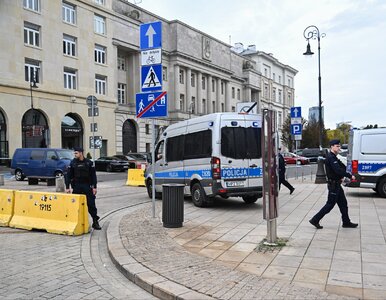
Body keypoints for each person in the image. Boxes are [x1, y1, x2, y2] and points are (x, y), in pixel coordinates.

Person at [309, 139, 358, 229]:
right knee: (330, 205)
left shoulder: (334, 157)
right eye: (337, 146)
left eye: (339, 146)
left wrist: (343, 174)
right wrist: (350, 176)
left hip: (337, 185)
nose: (339, 147)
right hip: (333, 185)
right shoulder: (331, 157)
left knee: (343, 203)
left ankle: (346, 222)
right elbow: (338, 170)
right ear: (332, 147)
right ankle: (315, 220)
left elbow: (341, 167)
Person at [65, 147, 101, 230]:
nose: (75, 155)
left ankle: (95, 222)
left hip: (87, 186)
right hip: (77, 186)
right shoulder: (72, 163)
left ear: (81, 153)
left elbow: (93, 176)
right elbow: (68, 176)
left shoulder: (89, 163)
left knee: (91, 204)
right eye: (74, 153)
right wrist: (67, 187)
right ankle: (74, 222)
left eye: (76, 153)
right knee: (74, 205)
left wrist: (94, 187)